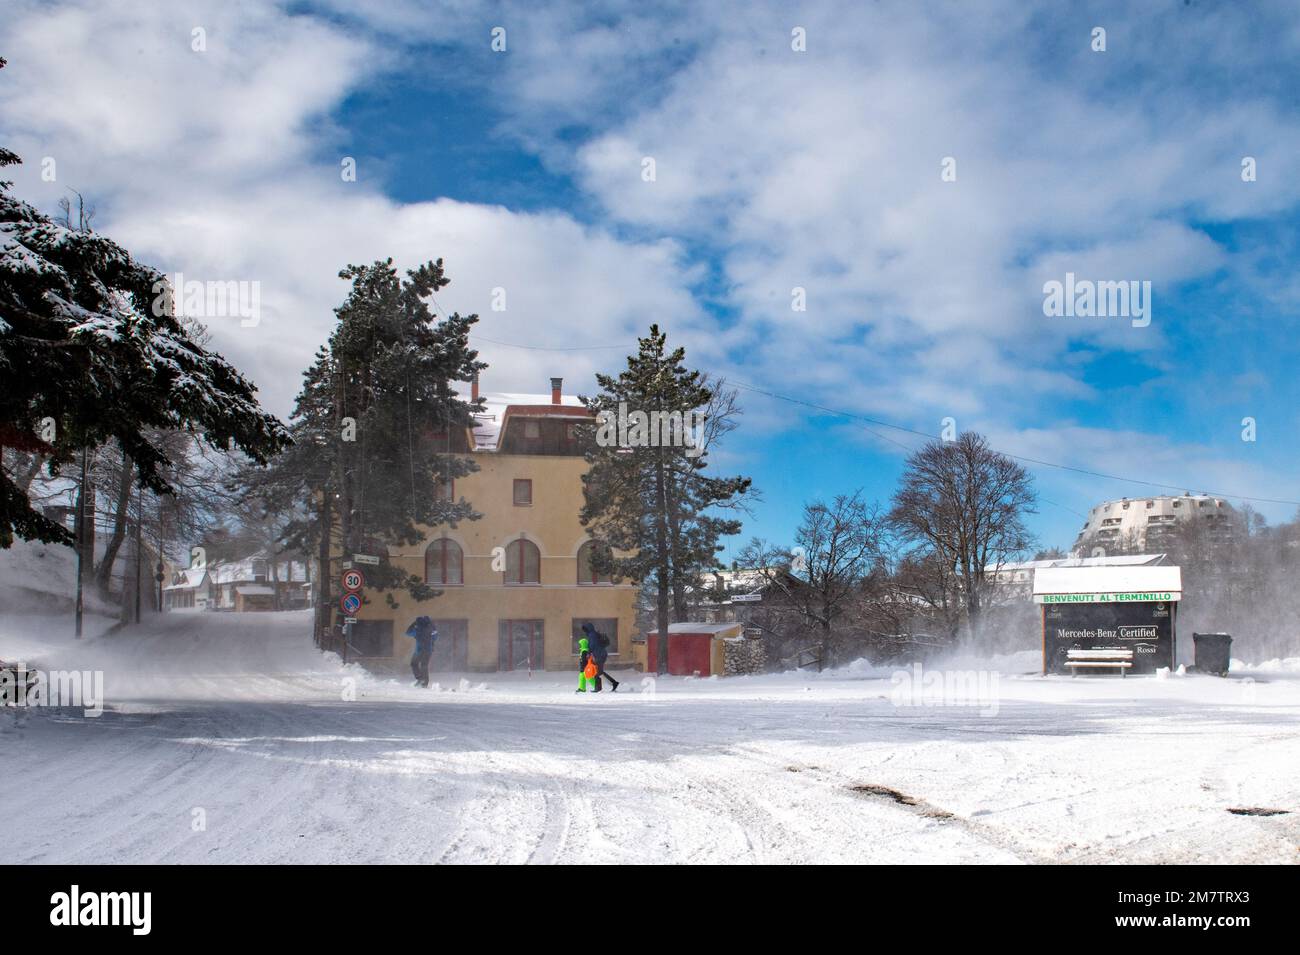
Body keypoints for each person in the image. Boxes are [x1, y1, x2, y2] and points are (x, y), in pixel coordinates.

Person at [582, 621, 620, 692]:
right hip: (600, 654)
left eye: (585, 629)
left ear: (588, 628)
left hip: (599, 655)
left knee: (597, 672)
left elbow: (593, 645)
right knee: (599, 672)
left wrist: (589, 652)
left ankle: (599, 688)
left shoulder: (592, 635)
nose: (584, 631)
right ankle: (613, 683)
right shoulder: (593, 634)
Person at [405, 615, 437, 687]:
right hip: (428, 650)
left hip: (419, 650)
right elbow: (435, 637)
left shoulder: (418, 630)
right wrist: (432, 625)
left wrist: (413, 624)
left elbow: (408, 632)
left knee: (413, 663)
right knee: (424, 665)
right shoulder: (431, 629)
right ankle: (425, 682)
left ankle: (420, 678)